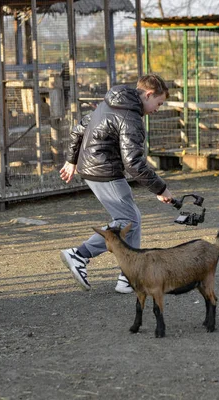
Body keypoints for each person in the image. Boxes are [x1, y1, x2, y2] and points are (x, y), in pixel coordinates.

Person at [59, 73, 173, 294]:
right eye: (159, 103)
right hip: (104, 171)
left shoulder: (111, 102)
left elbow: (79, 127)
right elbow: (134, 163)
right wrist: (161, 188)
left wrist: (72, 160)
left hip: (96, 168)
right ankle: (79, 254)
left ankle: (129, 276)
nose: (158, 109)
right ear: (148, 94)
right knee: (128, 219)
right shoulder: (130, 117)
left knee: (132, 218)